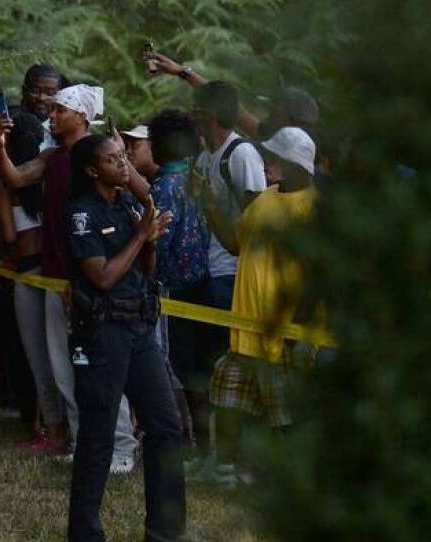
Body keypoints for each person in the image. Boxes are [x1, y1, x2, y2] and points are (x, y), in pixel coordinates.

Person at [0, 84, 143, 472]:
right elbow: (13, 178)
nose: (52, 116)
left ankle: (121, 446)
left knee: (101, 367)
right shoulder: (53, 157)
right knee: (66, 368)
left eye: (60, 110)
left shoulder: (101, 152)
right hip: (58, 276)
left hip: (96, 277)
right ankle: (85, 443)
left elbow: (142, 191)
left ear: (81, 116)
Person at [65, 134, 185, 542]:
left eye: (123, 158)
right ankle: (84, 532)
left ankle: (165, 531)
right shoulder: (82, 213)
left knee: (167, 426)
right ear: (92, 170)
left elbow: (145, 270)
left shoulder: (130, 205)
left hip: (139, 327)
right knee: (98, 434)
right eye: (113, 160)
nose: (123, 165)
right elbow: (101, 276)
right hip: (103, 331)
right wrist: (138, 237)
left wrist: (148, 239)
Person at [199, 126, 318, 488]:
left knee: (282, 413)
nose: (267, 163)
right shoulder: (264, 199)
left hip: (281, 333)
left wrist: (299, 334)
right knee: (228, 393)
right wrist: (210, 206)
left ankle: (288, 482)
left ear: (296, 165)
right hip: (246, 327)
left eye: (275, 158)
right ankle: (230, 471)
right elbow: (236, 244)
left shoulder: (314, 209)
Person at [189, 81, 267, 478]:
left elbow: (253, 228)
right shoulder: (205, 156)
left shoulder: (242, 154)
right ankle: (212, 457)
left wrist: (213, 206)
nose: (191, 116)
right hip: (209, 270)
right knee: (207, 369)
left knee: (230, 372)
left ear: (210, 113)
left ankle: (234, 460)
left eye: (196, 109)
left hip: (235, 276)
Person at [0, 111, 68, 452]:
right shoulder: (52, 172)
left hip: (25, 271)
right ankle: (71, 426)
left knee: (38, 358)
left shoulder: (5, 184)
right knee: (63, 355)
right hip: (54, 270)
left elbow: (9, 234)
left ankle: (51, 431)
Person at [146, 109, 213, 448]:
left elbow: (157, 241)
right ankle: (198, 439)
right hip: (201, 280)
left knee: (179, 370)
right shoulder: (196, 179)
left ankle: (190, 441)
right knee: (194, 368)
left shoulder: (163, 188)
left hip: (174, 287)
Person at [150, 52, 319, 140]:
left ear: (290, 120)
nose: (269, 116)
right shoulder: (267, 135)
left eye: (274, 112)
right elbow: (228, 102)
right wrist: (183, 72)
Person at [11, 63, 65, 150]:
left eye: (50, 93)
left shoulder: (64, 127)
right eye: (35, 91)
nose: (41, 98)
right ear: (24, 91)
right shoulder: (11, 121)